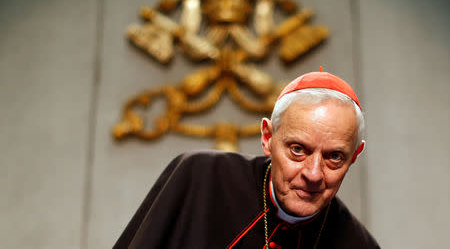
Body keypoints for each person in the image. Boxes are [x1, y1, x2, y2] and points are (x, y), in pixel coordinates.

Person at [114, 71, 380, 249]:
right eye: (298, 150)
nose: (313, 174)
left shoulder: (357, 243)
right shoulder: (200, 177)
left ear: (354, 156)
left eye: (334, 157)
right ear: (267, 138)